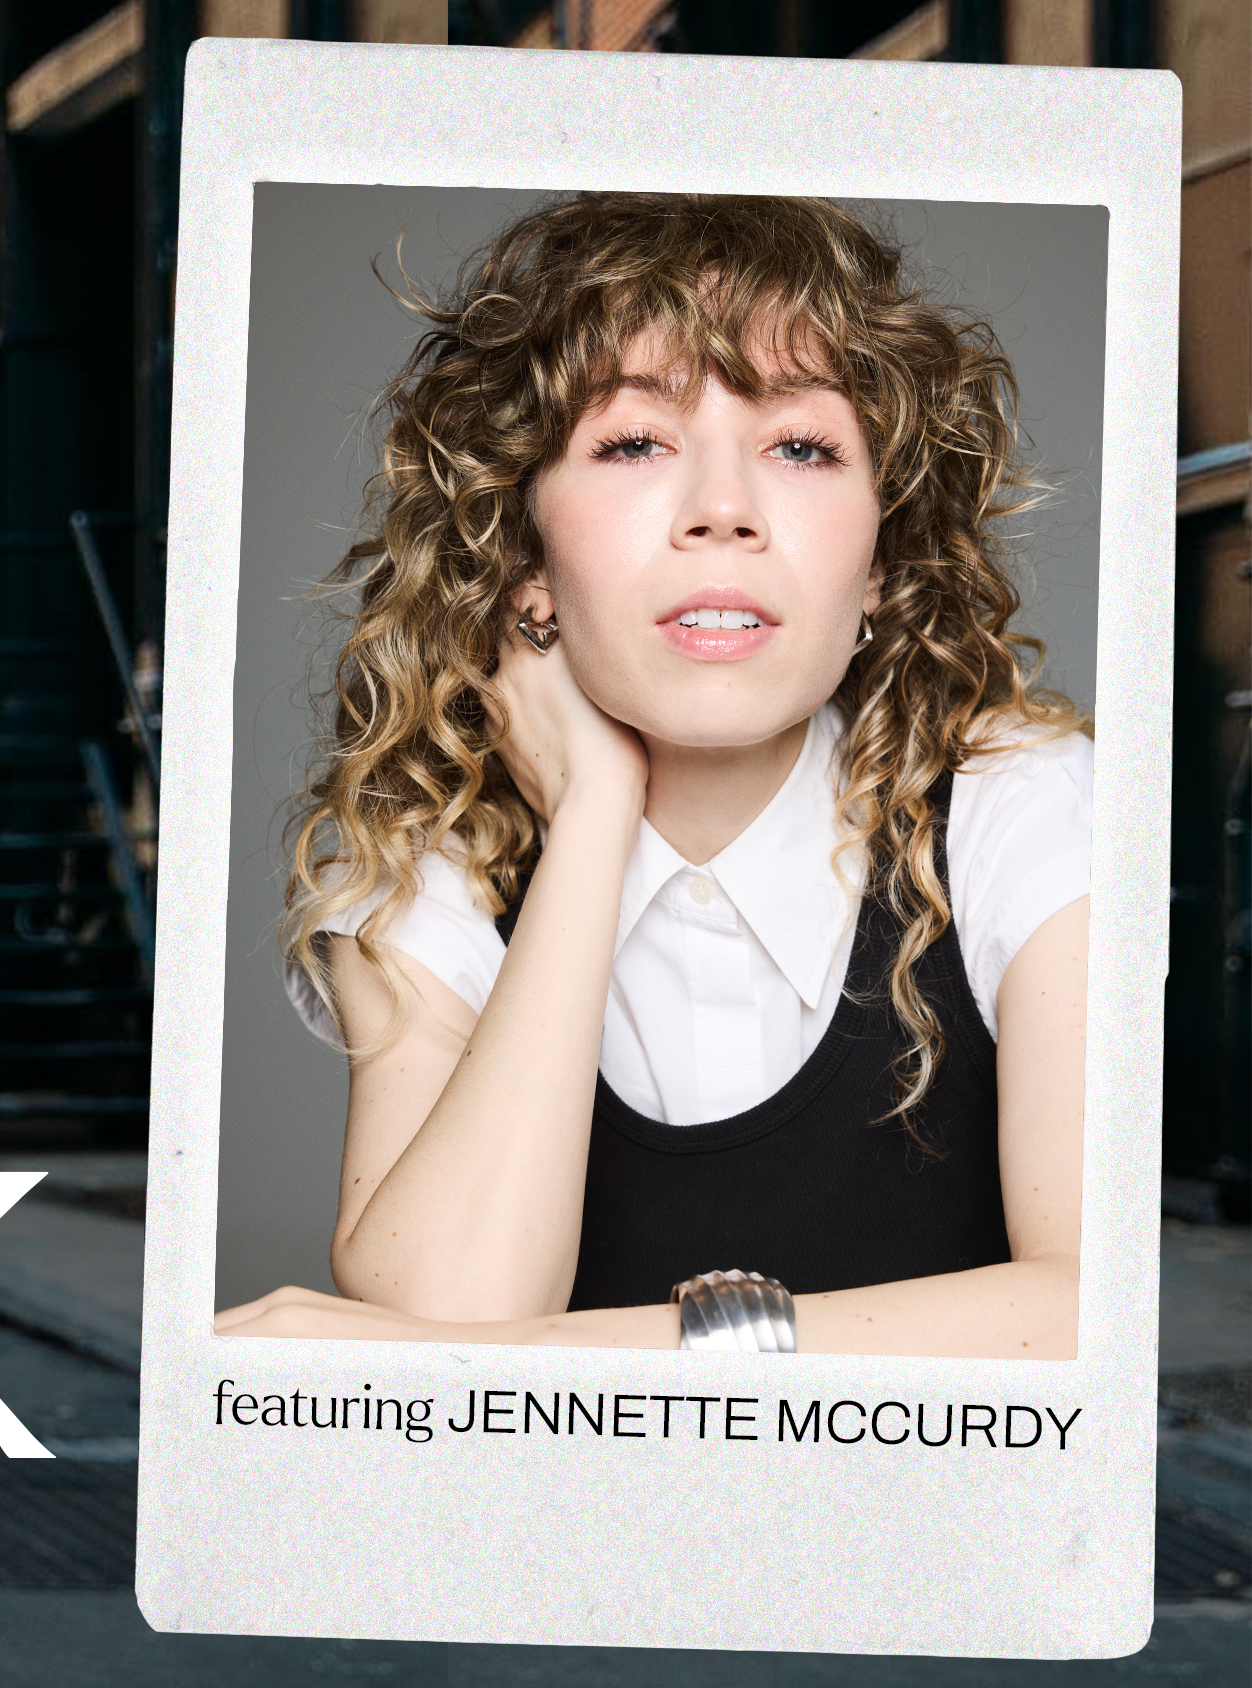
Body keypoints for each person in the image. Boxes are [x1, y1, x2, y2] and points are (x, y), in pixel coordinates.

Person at [223, 193, 1089, 1360]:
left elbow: (1096, 1305)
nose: (723, 509)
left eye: (801, 446)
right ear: (522, 553)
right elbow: (440, 1315)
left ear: (885, 557)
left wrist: (607, 1356)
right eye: (635, 442)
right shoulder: (424, 867)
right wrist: (591, 814)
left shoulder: (1023, 807)